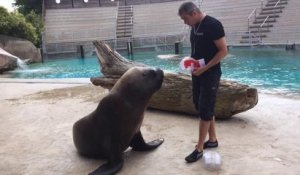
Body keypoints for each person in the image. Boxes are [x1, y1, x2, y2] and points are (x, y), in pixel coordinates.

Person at [178, 2, 228, 163]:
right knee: (201, 106)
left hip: (210, 73)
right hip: (197, 72)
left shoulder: (213, 24)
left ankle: (199, 148)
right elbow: (198, 50)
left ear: (193, 13)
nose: (184, 22)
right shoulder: (194, 26)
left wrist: (205, 68)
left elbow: (223, 51)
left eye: (185, 18)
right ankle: (212, 139)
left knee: (206, 108)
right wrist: (189, 62)